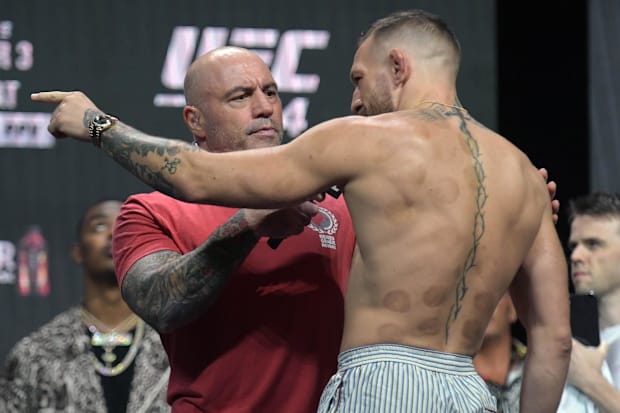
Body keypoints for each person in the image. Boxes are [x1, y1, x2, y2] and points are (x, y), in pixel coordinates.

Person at [32, 9, 572, 412]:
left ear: (398, 67)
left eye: (271, 91)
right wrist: (513, 212)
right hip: (464, 390)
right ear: (194, 120)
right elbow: (163, 301)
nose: (266, 105)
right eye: (242, 96)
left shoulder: (355, 172)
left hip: (381, 388)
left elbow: (192, 172)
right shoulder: (151, 211)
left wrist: (99, 125)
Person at [1, 200, 170, 412]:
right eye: (99, 226)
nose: (113, 234)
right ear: (77, 252)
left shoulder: (173, 349)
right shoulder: (35, 353)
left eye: (124, 226)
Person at [556, 192, 620, 413]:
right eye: (574, 246)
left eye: (593, 244)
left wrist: (589, 380)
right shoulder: (562, 340)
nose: (575, 256)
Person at [473, 293, 526, 413]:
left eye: (494, 289)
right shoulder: (445, 380)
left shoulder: (539, 370)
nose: (483, 305)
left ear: (513, 307)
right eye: (472, 294)